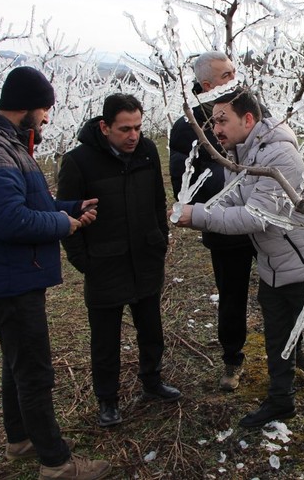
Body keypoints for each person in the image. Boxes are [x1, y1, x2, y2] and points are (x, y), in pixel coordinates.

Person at [0, 66, 111, 479]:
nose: (49, 118)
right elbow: (10, 221)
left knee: (17, 361)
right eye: (46, 109)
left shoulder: (4, 144)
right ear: (30, 107)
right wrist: (63, 225)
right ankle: (57, 463)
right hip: (9, 280)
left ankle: (20, 438)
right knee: (34, 370)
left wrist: (69, 208)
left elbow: (26, 202)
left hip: (11, 276)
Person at [173, 87, 304, 431]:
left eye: (222, 120)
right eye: (213, 121)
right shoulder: (239, 154)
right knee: (277, 338)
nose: (215, 129)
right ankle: (280, 401)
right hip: (274, 265)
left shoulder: (279, 155)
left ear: (248, 119)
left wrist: (198, 216)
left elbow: (257, 217)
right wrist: (198, 211)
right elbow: (231, 202)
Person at [169, 51, 304, 392]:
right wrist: (231, 189)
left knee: (284, 288)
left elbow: (272, 153)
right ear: (207, 84)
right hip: (225, 225)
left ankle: (296, 347)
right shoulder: (187, 126)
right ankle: (232, 359)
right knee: (231, 295)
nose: (235, 77)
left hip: (267, 224)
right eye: (227, 74)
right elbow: (186, 181)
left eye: (234, 71)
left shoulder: (250, 108)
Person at [57, 93, 180, 428]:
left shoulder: (147, 151)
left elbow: (157, 200)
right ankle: (107, 401)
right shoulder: (78, 162)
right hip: (104, 263)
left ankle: (152, 383)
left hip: (145, 258)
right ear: (104, 126)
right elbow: (67, 215)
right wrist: (85, 262)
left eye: (138, 127)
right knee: (105, 340)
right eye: (125, 129)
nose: (133, 136)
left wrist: (159, 241)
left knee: (151, 330)